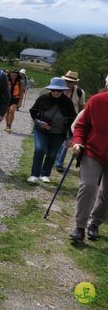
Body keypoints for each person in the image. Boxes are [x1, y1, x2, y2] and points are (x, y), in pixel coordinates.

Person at [69, 74, 108, 244]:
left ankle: (95, 223)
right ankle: (80, 227)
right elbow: (81, 125)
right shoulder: (97, 101)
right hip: (93, 152)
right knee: (88, 186)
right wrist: (77, 142)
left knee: (107, 194)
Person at [27, 77, 76, 184]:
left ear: (63, 90)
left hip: (59, 133)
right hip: (41, 130)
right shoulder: (43, 98)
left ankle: (45, 174)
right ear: (50, 89)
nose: (56, 92)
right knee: (39, 149)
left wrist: (70, 137)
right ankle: (34, 174)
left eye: (59, 90)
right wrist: (39, 123)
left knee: (52, 154)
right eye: (53, 90)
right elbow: (33, 111)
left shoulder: (68, 102)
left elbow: (73, 120)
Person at [54, 71, 86, 172]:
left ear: (75, 83)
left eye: (70, 81)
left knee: (66, 142)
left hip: (72, 120)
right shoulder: (58, 89)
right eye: (66, 80)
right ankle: (53, 158)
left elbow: (81, 107)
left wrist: (79, 121)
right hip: (57, 119)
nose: (67, 83)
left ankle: (59, 163)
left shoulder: (80, 92)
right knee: (56, 140)